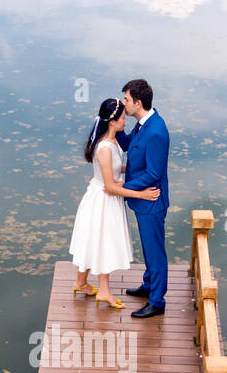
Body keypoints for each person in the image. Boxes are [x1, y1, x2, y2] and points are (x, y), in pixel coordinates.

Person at [69, 97, 161, 310]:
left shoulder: (112, 142)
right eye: (121, 119)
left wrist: (135, 169)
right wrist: (141, 194)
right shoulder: (104, 148)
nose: (124, 122)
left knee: (95, 241)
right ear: (112, 122)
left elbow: (114, 167)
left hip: (107, 198)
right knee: (104, 243)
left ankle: (80, 282)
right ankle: (104, 291)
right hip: (103, 201)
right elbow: (109, 187)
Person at [116, 78, 169, 318]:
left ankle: (157, 301)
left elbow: (153, 173)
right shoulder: (141, 124)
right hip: (143, 199)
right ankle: (149, 284)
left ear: (138, 102)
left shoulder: (156, 131)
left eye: (126, 100)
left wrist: (123, 185)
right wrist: (113, 125)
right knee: (148, 248)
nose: (123, 103)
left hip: (151, 201)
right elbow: (128, 145)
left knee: (155, 250)